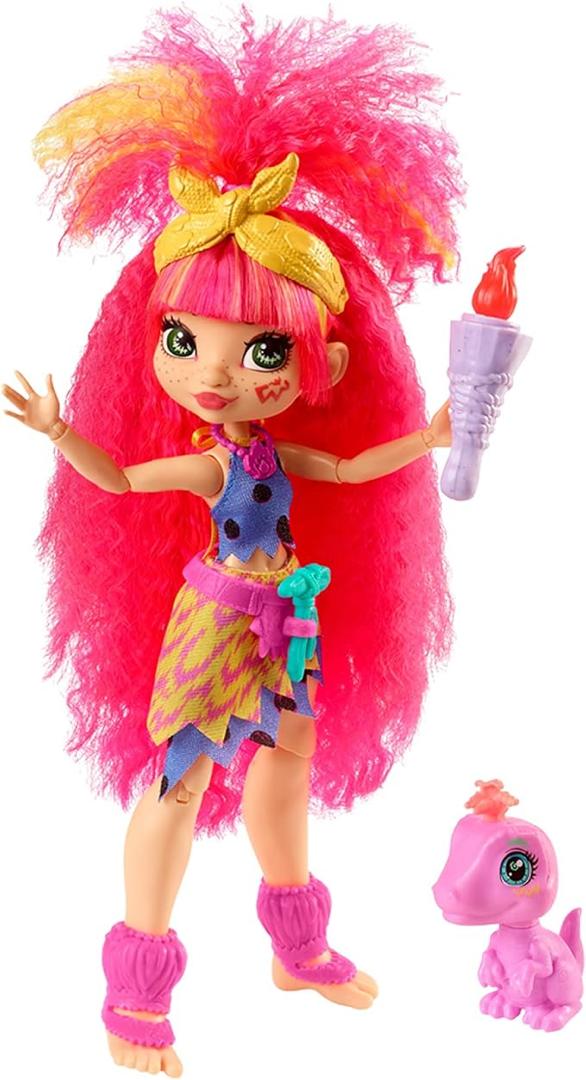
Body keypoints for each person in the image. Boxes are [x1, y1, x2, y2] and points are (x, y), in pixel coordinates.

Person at [1, 10, 461, 1076]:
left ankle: (297, 948)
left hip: (288, 615)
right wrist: (62, 431)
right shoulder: (212, 465)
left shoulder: (273, 454)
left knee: (286, 763)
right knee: (176, 780)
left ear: (323, 369)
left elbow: (346, 468)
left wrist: (428, 437)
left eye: (259, 350)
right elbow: (122, 479)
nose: (212, 373)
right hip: (216, 623)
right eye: (182, 339)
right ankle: (135, 992)